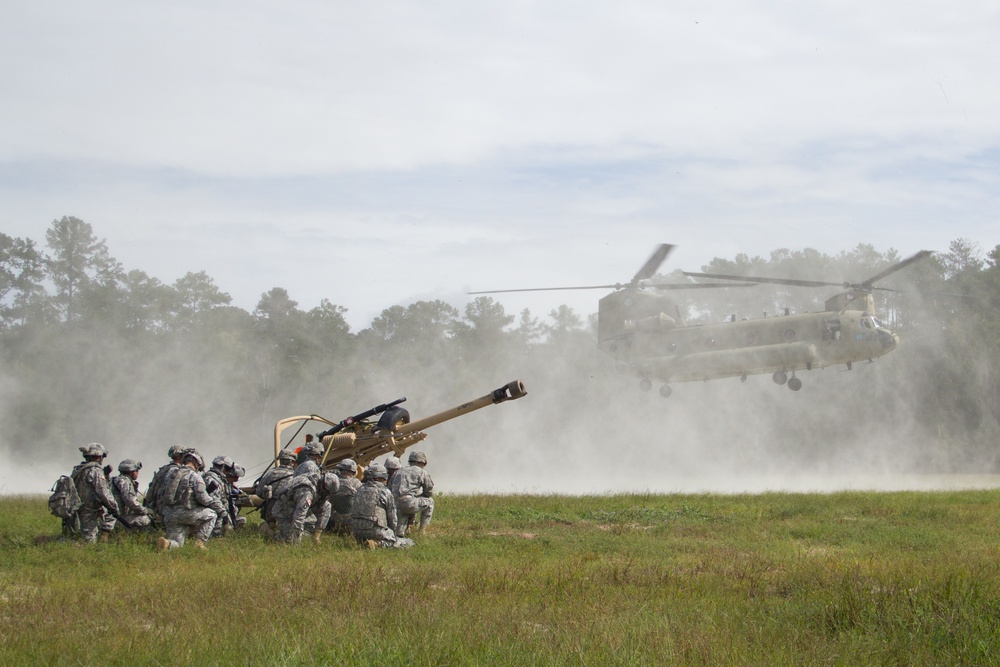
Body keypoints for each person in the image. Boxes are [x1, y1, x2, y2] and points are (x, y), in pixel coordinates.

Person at [156, 450, 227, 551]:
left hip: (169, 514)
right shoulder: (195, 476)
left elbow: (161, 493)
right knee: (211, 515)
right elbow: (203, 499)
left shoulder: (171, 474)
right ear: (197, 463)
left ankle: (167, 544)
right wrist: (215, 505)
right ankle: (200, 543)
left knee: (178, 545)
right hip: (186, 513)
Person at [350, 464, 414, 549]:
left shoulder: (359, 489)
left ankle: (363, 541)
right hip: (374, 529)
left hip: (356, 530)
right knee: (405, 543)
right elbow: (392, 516)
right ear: (379, 478)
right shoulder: (384, 492)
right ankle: (376, 544)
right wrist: (392, 531)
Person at [71, 443, 120, 543]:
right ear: (99, 456)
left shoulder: (79, 469)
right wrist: (114, 507)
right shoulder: (96, 471)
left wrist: (106, 476)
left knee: (80, 533)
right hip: (89, 509)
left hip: (78, 507)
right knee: (89, 540)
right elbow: (103, 492)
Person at [272, 470, 338, 545]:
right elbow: (299, 517)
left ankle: (316, 536)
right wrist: (297, 542)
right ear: (323, 486)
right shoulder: (307, 493)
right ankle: (269, 531)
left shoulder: (316, 482)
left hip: (295, 509)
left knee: (327, 506)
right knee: (289, 540)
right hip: (284, 513)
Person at [390, 450, 434, 537]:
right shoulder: (422, 472)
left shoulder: (398, 471)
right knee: (430, 502)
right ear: (422, 462)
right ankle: (422, 532)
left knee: (399, 534)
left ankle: (402, 532)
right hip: (408, 503)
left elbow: (389, 487)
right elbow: (429, 491)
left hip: (394, 504)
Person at [254, 449, 298, 537]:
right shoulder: (296, 476)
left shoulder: (270, 473)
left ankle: (269, 531)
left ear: (280, 460)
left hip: (271, 508)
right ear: (292, 462)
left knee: (272, 526)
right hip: (289, 509)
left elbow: (258, 492)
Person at [144, 445, 189, 521]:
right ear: (180, 456)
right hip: (166, 511)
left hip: (156, 508)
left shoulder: (164, 469)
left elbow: (151, 492)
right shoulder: (177, 471)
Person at [110, 459, 152, 531]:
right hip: (114, 520)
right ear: (132, 472)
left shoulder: (114, 480)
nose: (138, 473)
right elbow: (131, 502)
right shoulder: (125, 481)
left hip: (109, 518)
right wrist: (147, 511)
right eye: (137, 471)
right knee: (145, 519)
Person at [328, 458, 361, 535]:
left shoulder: (333, 482)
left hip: (333, 520)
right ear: (353, 471)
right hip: (351, 522)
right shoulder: (356, 483)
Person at [203, 455, 235, 536]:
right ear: (223, 467)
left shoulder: (219, 478)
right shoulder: (211, 478)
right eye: (227, 469)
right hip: (212, 513)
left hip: (218, 512)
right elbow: (213, 500)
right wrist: (224, 514)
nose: (226, 471)